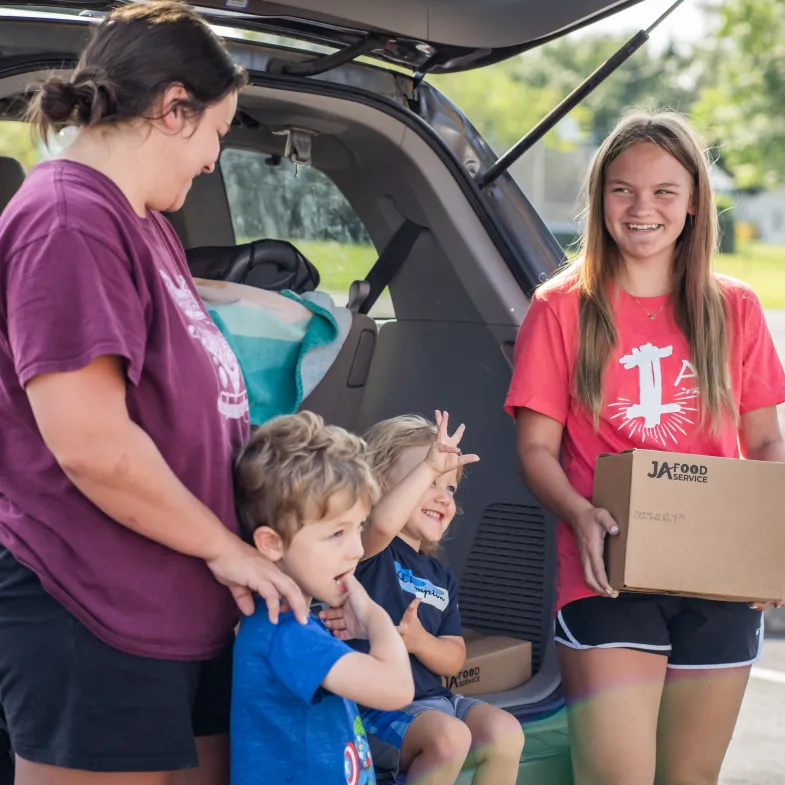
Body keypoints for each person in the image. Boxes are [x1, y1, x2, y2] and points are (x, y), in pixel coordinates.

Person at [0, 4, 308, 784]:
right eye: (215, 131)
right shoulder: (68, 218)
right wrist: (225, 549)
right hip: (90, 608)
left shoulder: (142, 222)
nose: (212, 160)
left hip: (173, 612)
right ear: (174, 108)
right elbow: (93, 445)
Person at [506, 109, 785, 785]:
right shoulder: (560, 307)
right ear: (600, 197)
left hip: (715, 575)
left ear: (693, 203)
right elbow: (536, 448)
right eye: (622, 189)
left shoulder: (734, 308)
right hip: (605, 571)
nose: (641, 208)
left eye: (663, 191)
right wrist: (578, 511)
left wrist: (767, 542)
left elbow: (765, 438)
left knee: (688, 777)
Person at [322, 412, 525, 785]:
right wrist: (431, 464)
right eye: (429, 480)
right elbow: (383, 523)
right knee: (449, 737)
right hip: (375, 708)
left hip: (435, 702)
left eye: (449, 487)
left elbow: (454, 656)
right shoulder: (368, 550)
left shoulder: (439, 574)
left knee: (505, 732)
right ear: (377, 483)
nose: (442, 496)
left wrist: (420, 641)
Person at [230, 411, 414, 785]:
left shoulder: (297, 623)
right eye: (336, 534)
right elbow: (396, 689)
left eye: (358, 528)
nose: (356, 549)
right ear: (272, 544)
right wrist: (374, 615)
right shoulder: (285, 634)